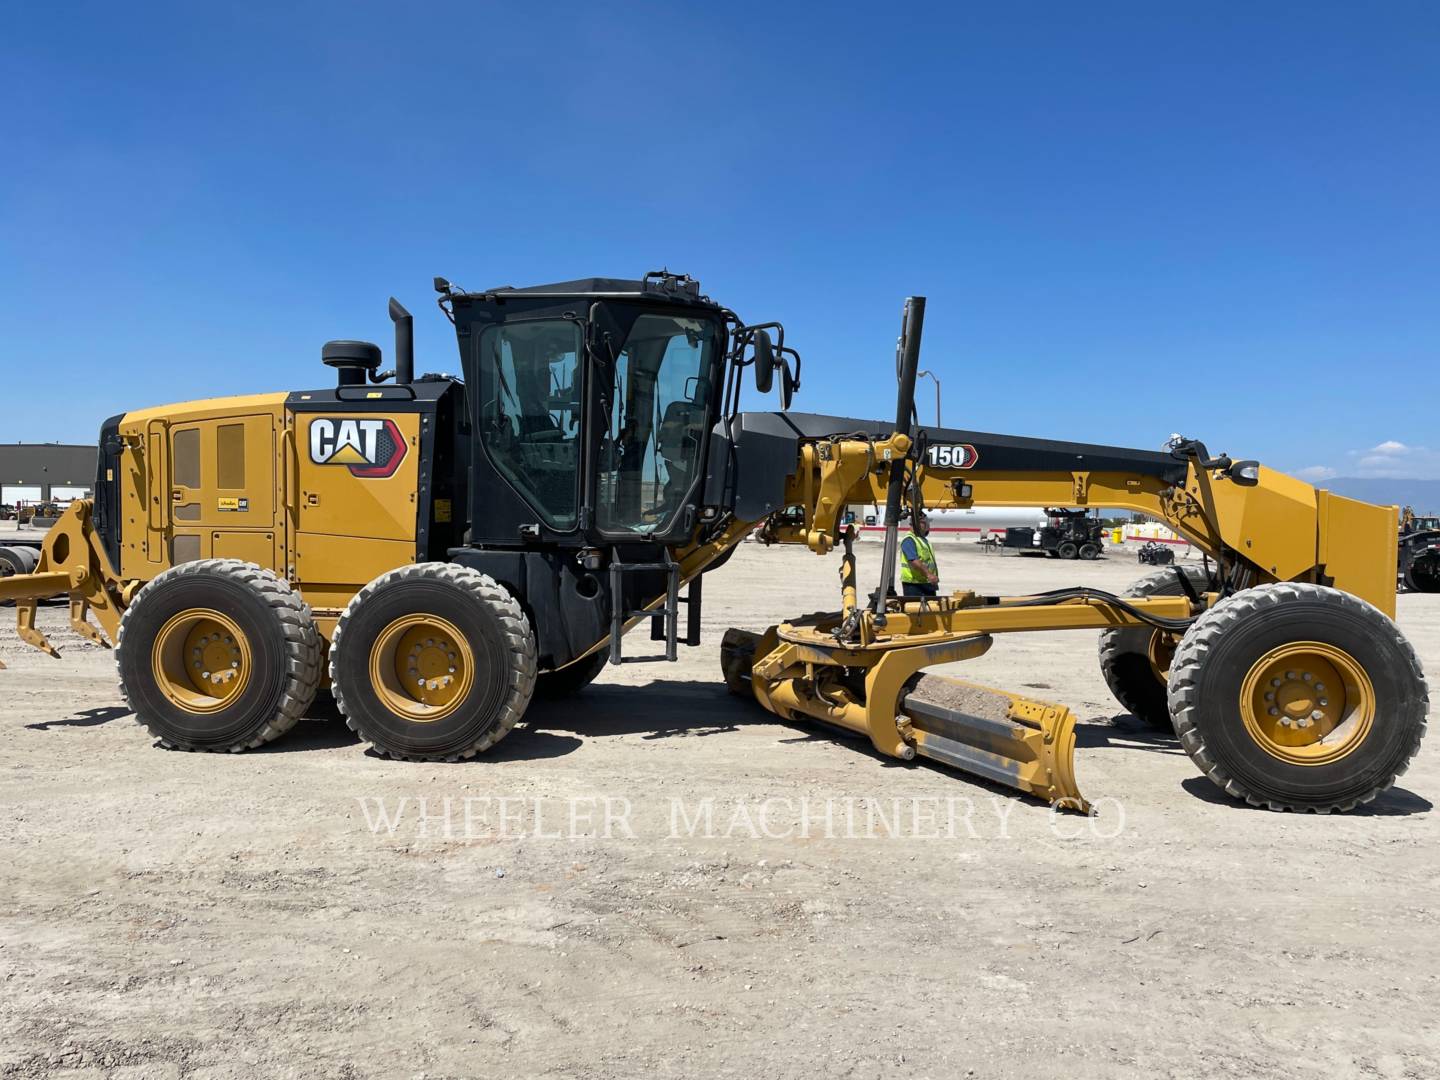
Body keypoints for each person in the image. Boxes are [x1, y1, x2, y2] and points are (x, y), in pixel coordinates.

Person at [900, 510, 940, 597]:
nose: (927, 526)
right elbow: (914, 561)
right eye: (925, 523)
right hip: (914, 585)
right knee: (916, 609)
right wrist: (929, 575)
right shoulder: (909, 540)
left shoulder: (923, 540)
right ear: (917, 524)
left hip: (926, 583)